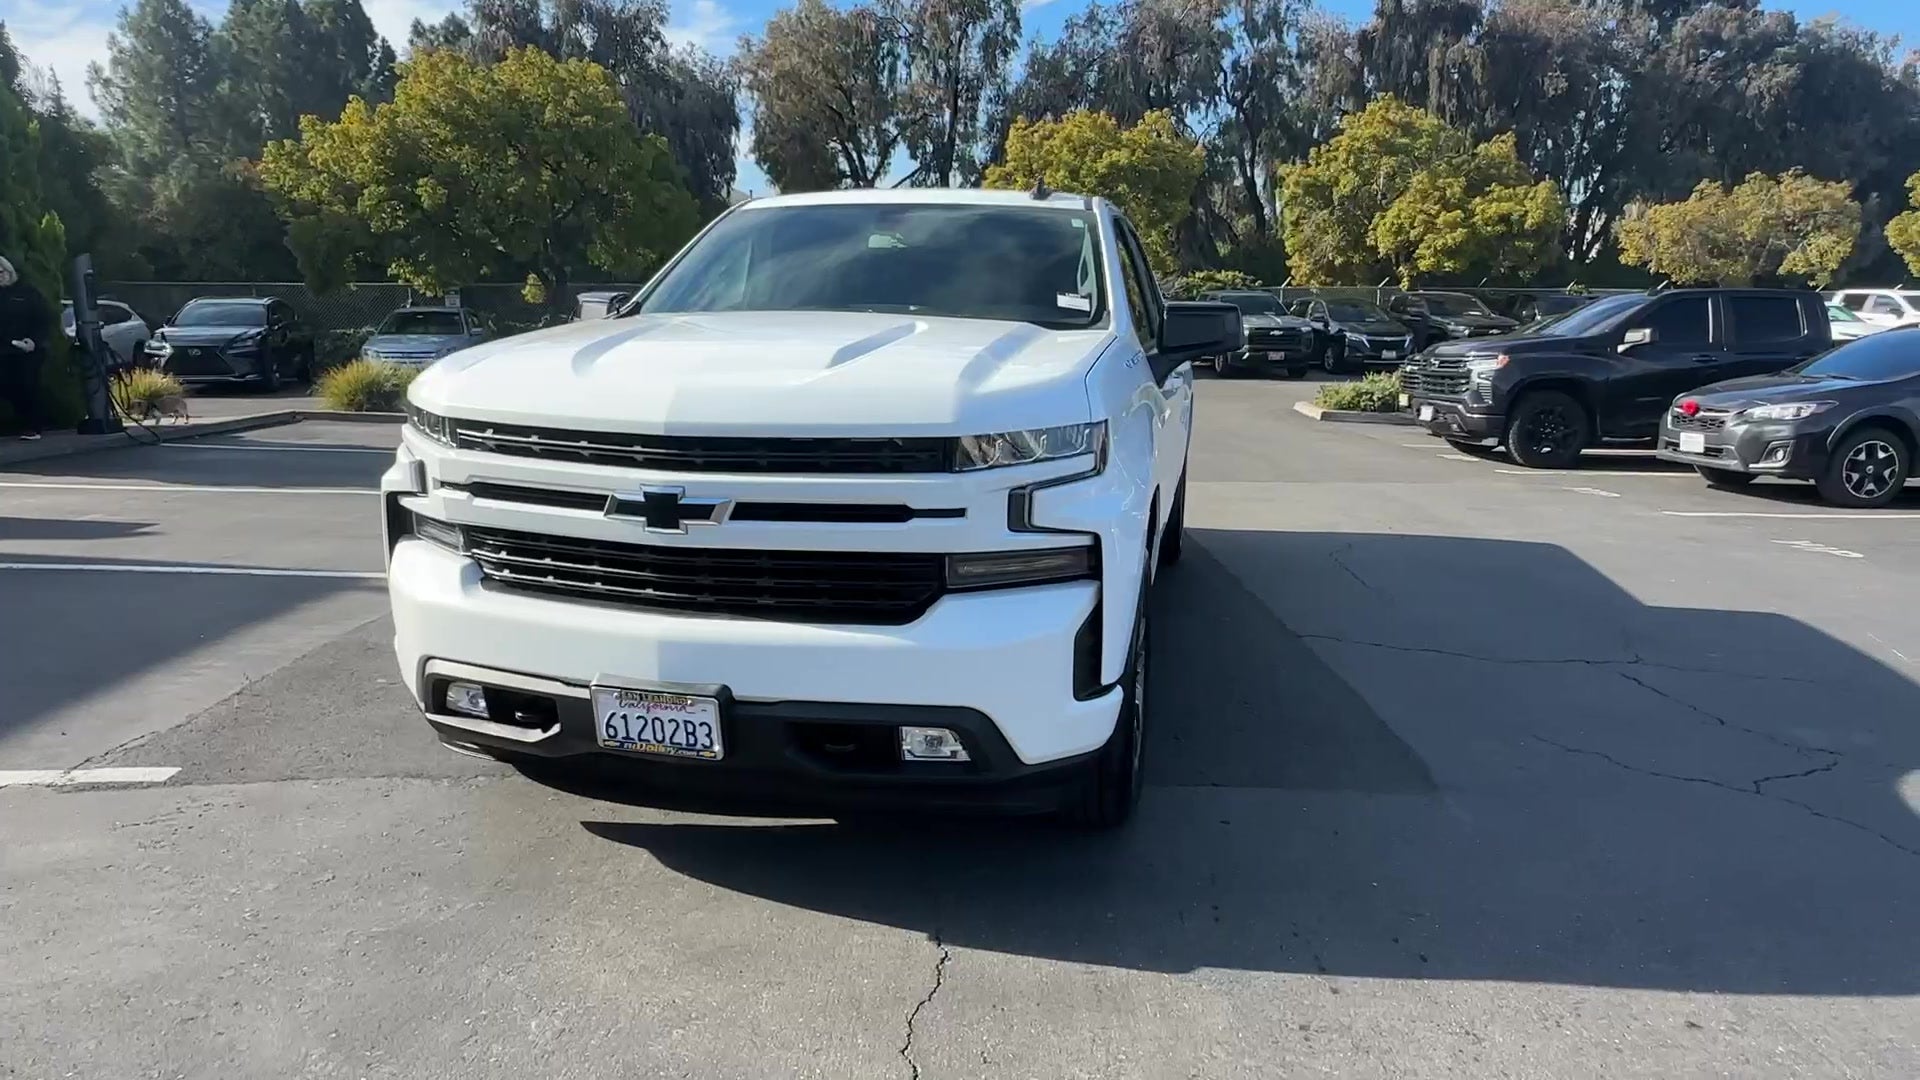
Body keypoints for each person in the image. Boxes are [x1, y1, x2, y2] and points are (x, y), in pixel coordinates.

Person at [0, 254, 52, 440]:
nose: (0, 276)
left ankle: (32, 426)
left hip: (29, 349)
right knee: (7, 386)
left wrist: (33, 341)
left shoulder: (27, 292)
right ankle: (19, 422)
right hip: (5, 349)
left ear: (9, 271)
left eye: (2, 271)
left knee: (27, 385)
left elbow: (44, 319)